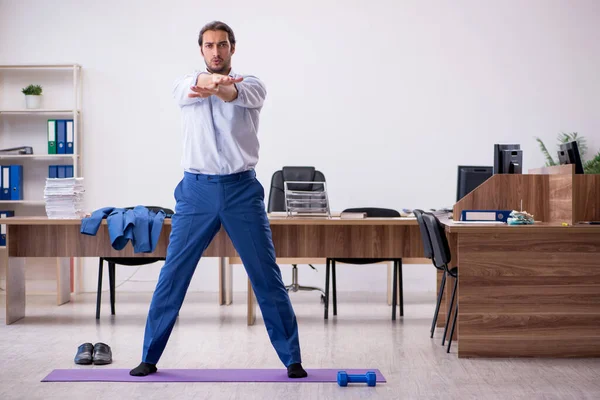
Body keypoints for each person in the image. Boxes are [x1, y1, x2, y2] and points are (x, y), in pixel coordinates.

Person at [129, 21, 307, 379]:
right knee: (174, 273)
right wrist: (208, 83)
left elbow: (231, 95)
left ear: (232, 48)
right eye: (209, 46)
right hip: (196, 191)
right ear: (201, 50)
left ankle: (292, 359)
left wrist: (222, 88)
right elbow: (195, 87)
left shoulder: (251, 85)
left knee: (265, 274)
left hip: (242, 190)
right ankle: (149, 355)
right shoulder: (184, 84)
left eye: (222, 45)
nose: (216, 51)